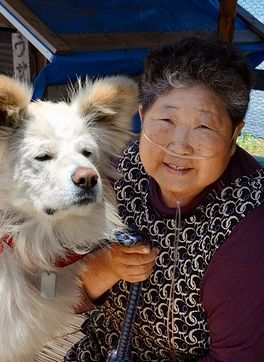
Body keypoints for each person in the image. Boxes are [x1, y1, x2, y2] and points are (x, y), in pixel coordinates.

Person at [65, 35, 264, 361]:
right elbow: (62, 299)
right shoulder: (115, 176)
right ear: (143, 119)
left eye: (204, 127)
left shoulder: (249, 228)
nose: (179, 145)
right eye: (166, 121)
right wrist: (109, 266)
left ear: (234, 135)